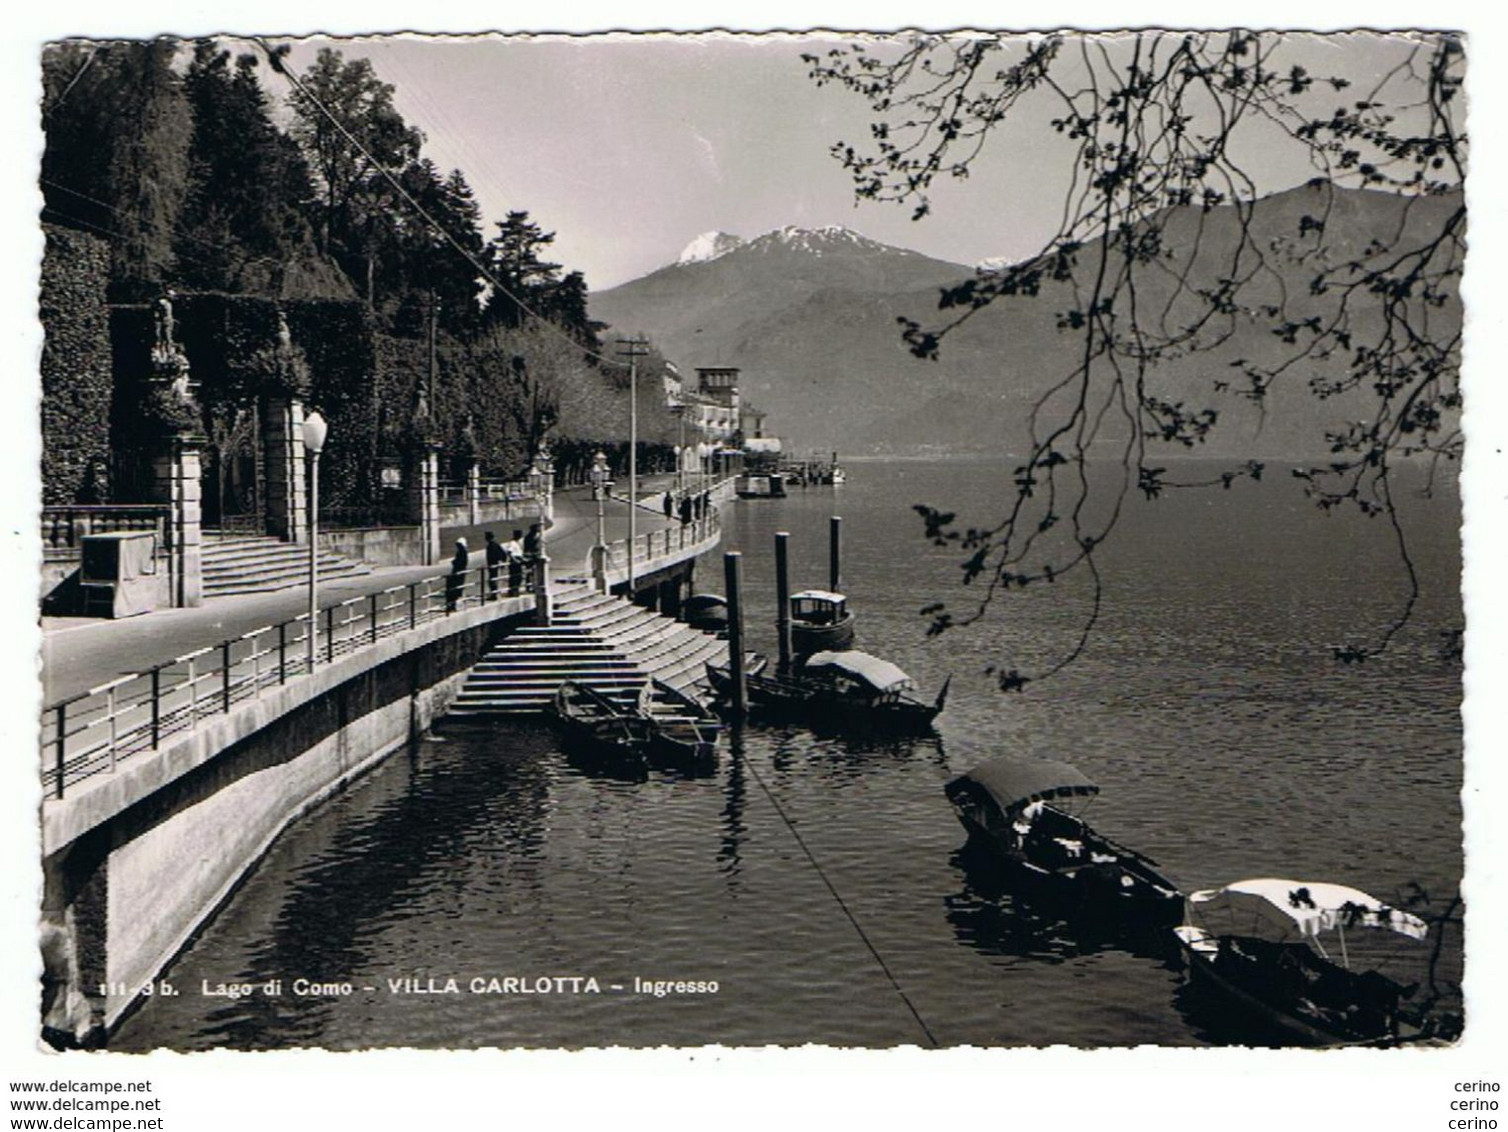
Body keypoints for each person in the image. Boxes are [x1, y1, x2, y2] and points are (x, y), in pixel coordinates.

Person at [446, 537, 468, 612]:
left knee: (454, 589)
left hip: (458, 574)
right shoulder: (462, 552)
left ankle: (452, 605)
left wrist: (454, 562)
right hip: (458, 574)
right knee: (454, 590)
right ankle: (452, 605)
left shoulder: (462, 553)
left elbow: (461, 563)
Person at [483, 531, 505, 601]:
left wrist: (498, 562)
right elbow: (503, 553)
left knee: (492, 580)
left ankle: (494, 594)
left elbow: (493, 556)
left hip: (493, 565)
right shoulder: (495, 544)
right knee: (493, 580)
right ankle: (494, 594)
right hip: (494, 565)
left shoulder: (491, 545)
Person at [504, 528, 524, 595]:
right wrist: (515, 560)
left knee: (519, 577)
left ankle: (516, 590)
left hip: (519, 560)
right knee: (514, 577)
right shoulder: (512, 543)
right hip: (514, 562)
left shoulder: (518, 543)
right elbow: (509, 552)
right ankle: (513, 591)